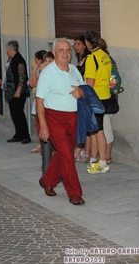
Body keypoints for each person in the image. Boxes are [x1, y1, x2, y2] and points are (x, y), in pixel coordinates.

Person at [36, 38, 86, 205]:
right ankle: (74, 193)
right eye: (61, 50)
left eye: (68, 50)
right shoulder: (48, 73)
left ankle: (47, 181)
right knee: (67, 156)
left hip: (73, 118)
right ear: (55, 53)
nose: (65, 53)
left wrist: (81, 92)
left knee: (63, 155)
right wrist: (43, 126)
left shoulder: (74, 70)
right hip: (54, 118)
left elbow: (84, 89)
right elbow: (39, 100)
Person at [84, 31, 112, 174]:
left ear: (88, 43)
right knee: (95, 131)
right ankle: (94, 160)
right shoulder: (105, 56)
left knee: (99, 131)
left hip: (96, 98)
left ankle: (102, 163)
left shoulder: (91, 58)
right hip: (106, 96)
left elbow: (90, 83)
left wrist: (84, 98)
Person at [4, 40, 31, 144]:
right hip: (11, 90)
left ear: (11, 49)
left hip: (18, 92)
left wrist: (18, 91)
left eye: (7, 50)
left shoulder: (19, 60)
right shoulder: (11, 59)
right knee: (14, 113)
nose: (7, 52)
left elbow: (22, 77)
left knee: (19, 113)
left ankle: (25, 135)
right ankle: (18, 134)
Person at [99, 38, 118, 165]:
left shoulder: (104, 60)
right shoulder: (108, 59)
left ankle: (107, 156)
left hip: (106, 98)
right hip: (107, 98)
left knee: (106, 127)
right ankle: (105, 155)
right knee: (105, 126)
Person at [73, 35, 91, 163]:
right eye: (74, 44)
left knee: (86, 124)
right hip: (79, 93)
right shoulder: (79, 59)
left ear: (85, 45)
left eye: (78, 44)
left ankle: (83, 151)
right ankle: (80, 149)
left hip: (85, 94)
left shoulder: (88, 59)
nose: (76, 47)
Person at [28, 50, 46, 153]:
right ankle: (40, 144)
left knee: (41, 121)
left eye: (35, 59)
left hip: (41, 99)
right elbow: (31, 82)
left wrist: (34, 69)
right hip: (36, 97)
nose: (34, 61)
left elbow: (34, 83)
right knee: (36, 121)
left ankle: (43, 145)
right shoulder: (39, 70)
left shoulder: (41, 70)